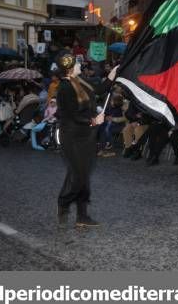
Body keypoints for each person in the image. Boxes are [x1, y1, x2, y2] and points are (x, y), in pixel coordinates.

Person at [55, 51, 118, 228]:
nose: (79, 66)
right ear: (69, 69)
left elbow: (99, 90)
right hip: (72, 137)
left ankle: (82, 216)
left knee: (83, 177)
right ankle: (63, 203)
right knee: (78, 177)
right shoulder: (64, 88)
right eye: (76, 64)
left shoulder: (80, 79)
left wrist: (111, 76)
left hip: (87, 136)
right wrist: (93, 120)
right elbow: (71, 115)